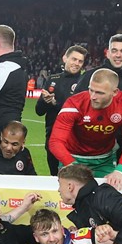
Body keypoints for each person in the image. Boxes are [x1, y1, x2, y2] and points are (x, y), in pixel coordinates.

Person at [50, 68, 122, 188]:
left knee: (104, 199)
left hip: (104, 159)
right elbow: (55, 142)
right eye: (90, 90)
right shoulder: (74, 103)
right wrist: (71, 164)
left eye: (99, 93)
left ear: (115, 92)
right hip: (72, 157)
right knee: (70, 199)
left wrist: (119, 170)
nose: (92, 96)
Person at [37, 46, 87, 174]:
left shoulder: (84, 82)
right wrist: (45, 101)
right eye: (74, 59)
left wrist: (55, 103)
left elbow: (81, 110)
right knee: (54, 175)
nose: (76, 63)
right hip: (52, 136)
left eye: (80, 61)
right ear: (65, 58)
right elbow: (39, 111)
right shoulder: (53, 79)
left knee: (75, 176)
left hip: (75, 138)